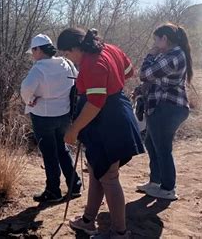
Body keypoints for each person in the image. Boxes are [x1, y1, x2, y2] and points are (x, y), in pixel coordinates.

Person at [57, 28, 144, 238]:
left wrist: (74, 129)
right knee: (98, 171)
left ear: (76, 48)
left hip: (109, 121)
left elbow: (96, 102)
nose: (70, 59)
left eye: (68, 54)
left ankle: (120, 233)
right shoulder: (110, 49)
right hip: (111, 115)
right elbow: (129, 71)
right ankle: (88, 220)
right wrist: (113, 82)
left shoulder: (92, 63)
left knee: (109, 177)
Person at [20, 34, 82, 203]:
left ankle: (53, 190)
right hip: (64, 113)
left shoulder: (38, 68)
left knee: (49, 153)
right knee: (62, 148)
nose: (32, 54)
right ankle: (74, 184)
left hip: (43, 115)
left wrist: (30, 100)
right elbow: (77, 81)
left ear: (38, 49)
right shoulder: (66, 63)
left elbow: (25, 89)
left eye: (33, 50)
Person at [135, 23, 191, 200]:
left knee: (163, 148)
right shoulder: (171, 54)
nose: (154, 43)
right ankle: (155, 182)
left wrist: (150, 56)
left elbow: (145, 74)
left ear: (164, 39)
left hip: (168, 107)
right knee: (152, 144)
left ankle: (168, 188)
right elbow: (156, 79)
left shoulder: (173, 55)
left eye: (156, 39)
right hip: (165, 106)